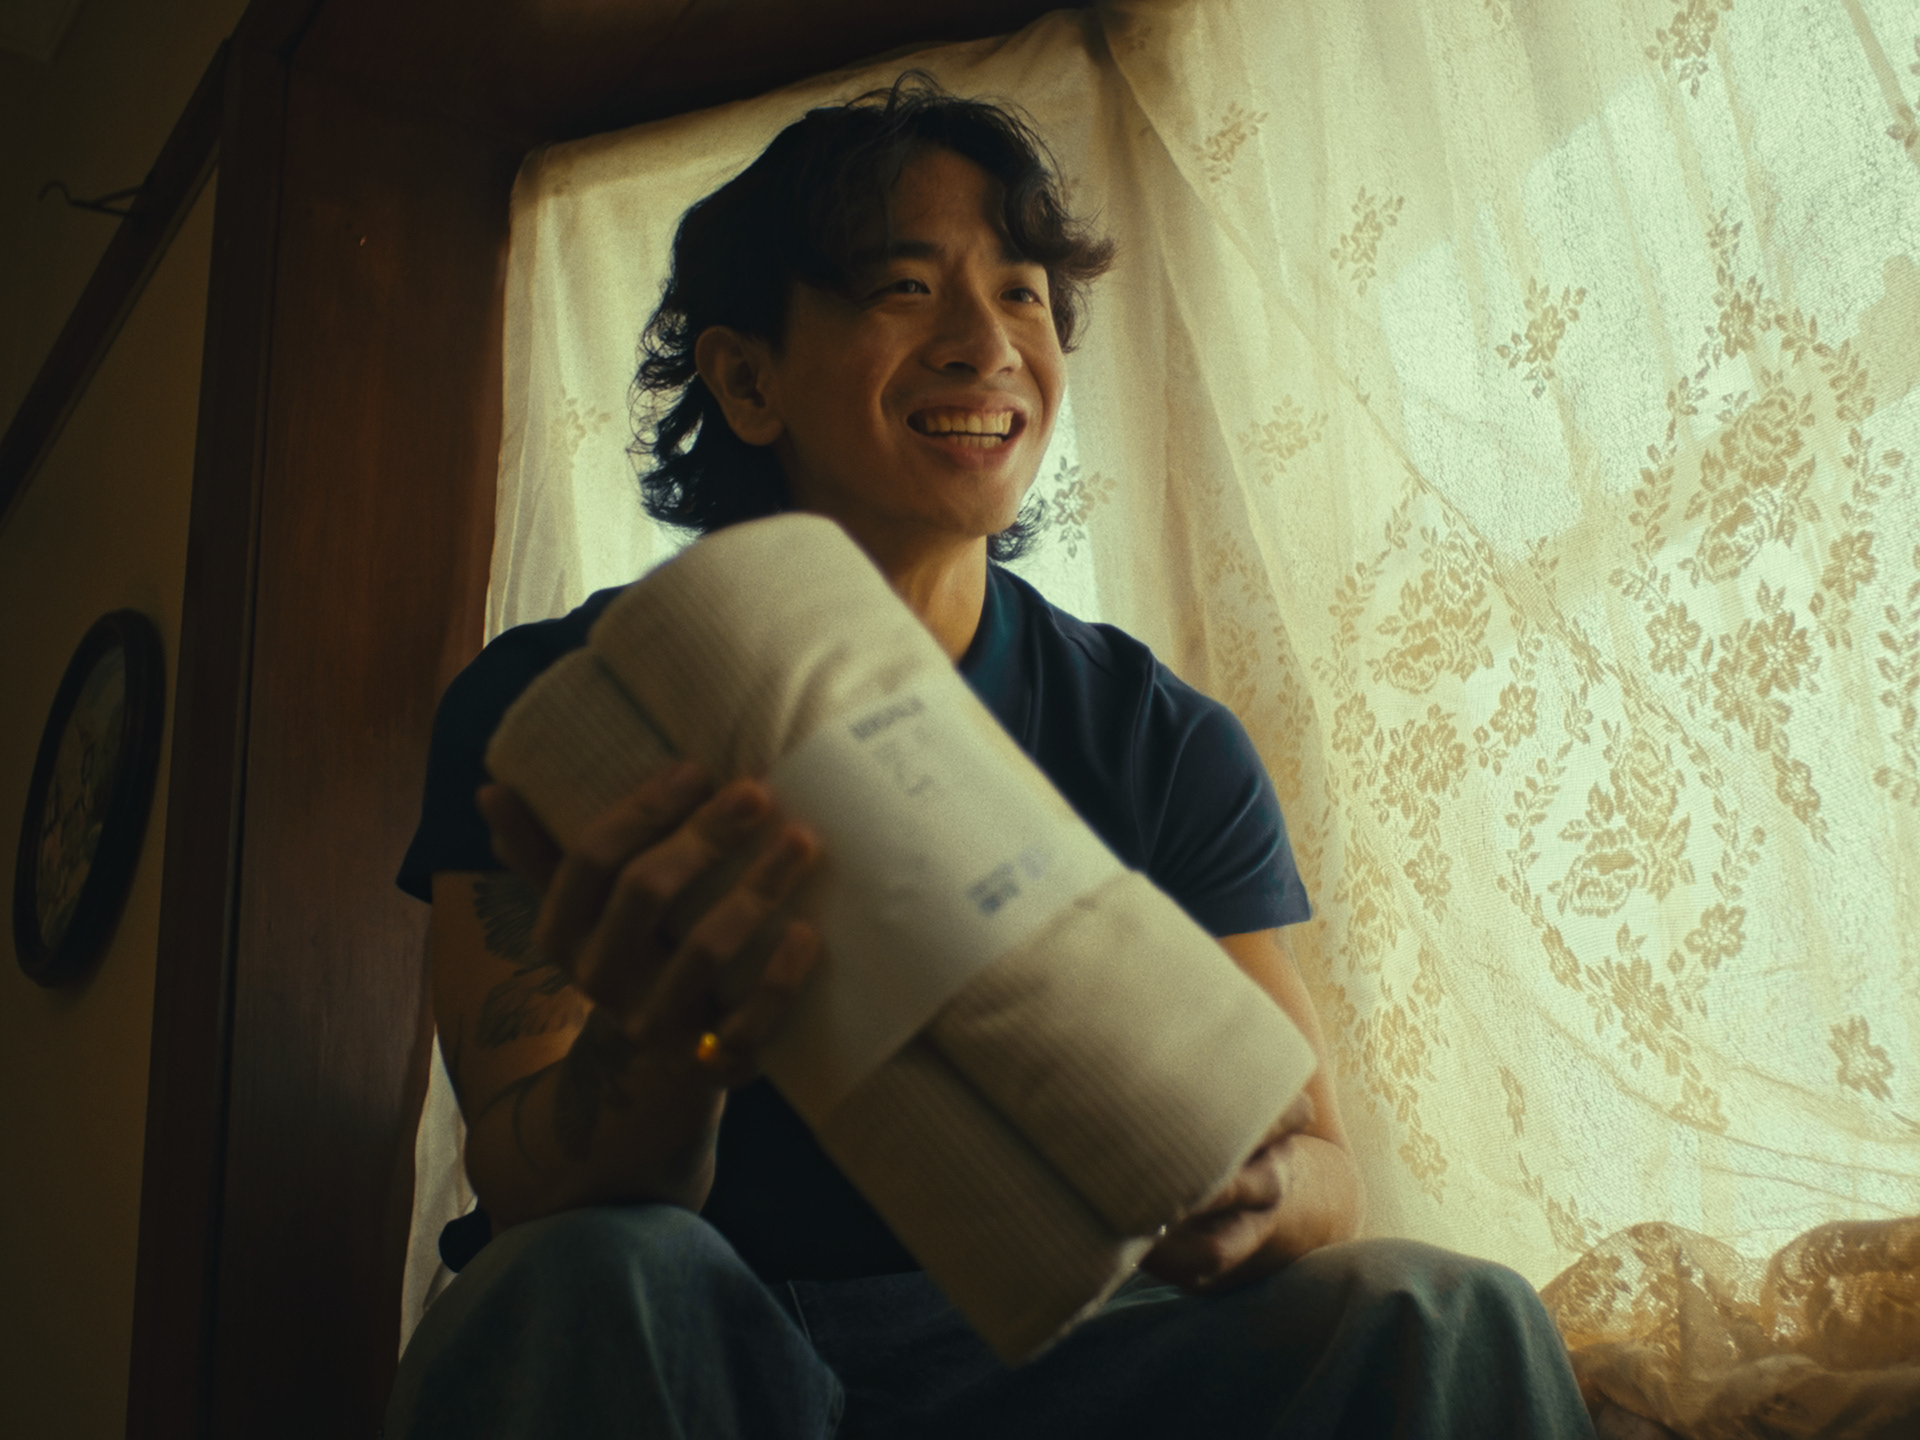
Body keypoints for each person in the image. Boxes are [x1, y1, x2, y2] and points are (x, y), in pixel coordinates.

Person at [386, 77, 1597, 1439]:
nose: (988, 343)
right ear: (747, 378)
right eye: (905, 288)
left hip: (1065, 1356)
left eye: (1023, 294)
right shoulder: (556, 704)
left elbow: (1320, 1165)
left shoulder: (1157, 736)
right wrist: (675, 1052)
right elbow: (527, 1174)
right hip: (701, 1324)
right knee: (588, 1273)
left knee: (1450, 1311)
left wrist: (1253, 1196)